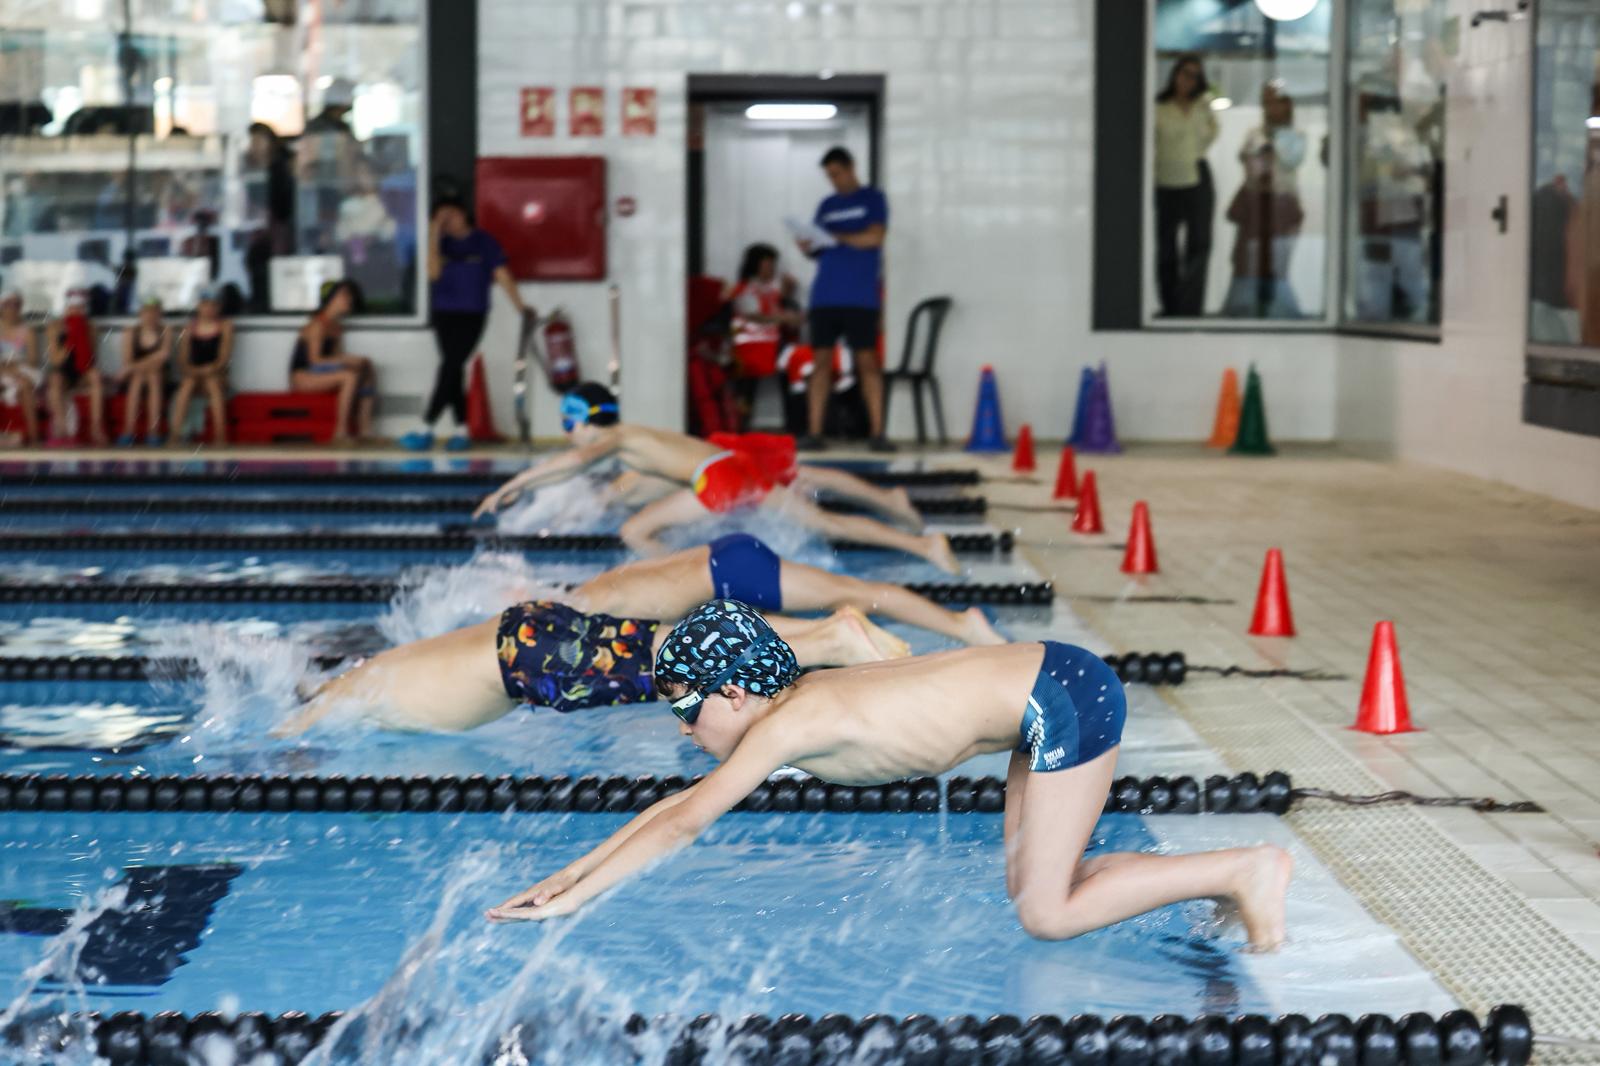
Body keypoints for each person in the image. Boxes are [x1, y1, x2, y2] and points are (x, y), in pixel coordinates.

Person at [487, 601, 1294, 949]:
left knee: (1047, 914)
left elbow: (686, 821)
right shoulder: (792, 702)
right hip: (1048, 686)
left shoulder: (791, 723)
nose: (682, 729)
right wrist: (566, 877)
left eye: (686, 710)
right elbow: (679, 803)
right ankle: (1219, 880)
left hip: (1062, 697)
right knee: (1035, 886)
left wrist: (574, 902)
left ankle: (1245, 870)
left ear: (732, 693)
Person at [273, 534, 1001, 736]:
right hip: (527, 633)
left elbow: (291, 739)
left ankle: (828, 643)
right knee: (669, 654)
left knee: (676, 666)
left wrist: (282, 744)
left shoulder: (339, 703)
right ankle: (824, 641)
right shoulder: (379, 672)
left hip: (526, 660)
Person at [473, 383, 957, 573]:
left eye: (567, 424)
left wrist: (510, 486)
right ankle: (923, 546)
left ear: (584, 420)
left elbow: (571, 463)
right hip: (731, 468)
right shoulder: (637, 440)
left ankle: (689, 586)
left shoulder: (615, 437)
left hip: (719, 477)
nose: (567, 434)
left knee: (635, 532)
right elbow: (646, 483)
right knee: (827, 523)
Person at [400, 198, 530, 451]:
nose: (448, 221)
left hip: (473, 314)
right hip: (444, 313)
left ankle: (426, 427)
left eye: (451, 215)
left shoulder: (483, 241)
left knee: (451, 366)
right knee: (453, 369)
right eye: (442, 218)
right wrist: (434, 233)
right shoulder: (441, 244)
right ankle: (461, 430)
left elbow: (502, 275)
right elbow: (433, 273)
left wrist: (520, 307)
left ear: (463, 214)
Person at [796, 147, 891, 452]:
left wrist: (837, 237)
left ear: (851, 168)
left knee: (867, 362)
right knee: (821, 363)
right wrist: (807, 245)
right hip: (824, 296)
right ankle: (814, 432)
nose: (834, 180)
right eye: (829, 176)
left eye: (837, 174)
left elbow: (874, 238)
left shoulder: (872, 199)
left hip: (860, 297)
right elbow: (817, 249)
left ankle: (877, 433)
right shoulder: (826, 205)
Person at [1222, 82, 1306, 319]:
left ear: (1286, 105)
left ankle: (1280, 313)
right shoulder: (1254, 134)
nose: (1271, 107)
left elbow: (1290, 159)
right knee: (1246, 262)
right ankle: (1243, 311)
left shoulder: (1296, 136)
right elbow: (1246, 159)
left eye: (1275, 102)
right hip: (1255, 207)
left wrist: (1271, 143)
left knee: (1277, 266)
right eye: (1266, 102)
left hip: (1282, 207)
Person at [1153, 54, 1219, 317]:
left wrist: (1204, 104)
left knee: (1199, 244)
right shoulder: (1159, 107)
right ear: (1175, 74)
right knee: (1166, 246)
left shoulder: (1203, 107)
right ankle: (1170, 306)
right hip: (1166, 180)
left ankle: (1190, 308)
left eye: (1195, 76)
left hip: (1197, 175)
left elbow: (1212, 133)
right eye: (1185, 73)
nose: (1189, 80)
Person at [289, 280, 375, 444]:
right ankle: (340, 432)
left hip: (319, 373)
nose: (350, 299)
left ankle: (365, 430)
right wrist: (345, 360)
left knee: (366, 367)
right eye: (345, 295)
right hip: (302, 377)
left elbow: (334, 358)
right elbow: (314, 361)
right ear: (331, 298)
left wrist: (352, 361)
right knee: (349, 377)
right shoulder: (318, 325)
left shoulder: (336, 328)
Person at [169, 287, 234, 445]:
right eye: (205, 305)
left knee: (212, 382)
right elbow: (182, 361)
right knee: (187, 383)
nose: (209, 309)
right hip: (195, 377)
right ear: (199, 306)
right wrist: (196, 371)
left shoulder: (225, 326)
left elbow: (223, 359)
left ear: (219, 307)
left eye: (213, 305)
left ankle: (220, 437)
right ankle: (175, 436)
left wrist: (207, 370)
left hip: (217, 375)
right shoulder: (189, 328)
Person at [44, 289, 108, 446]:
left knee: (95, 375)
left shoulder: (90, 328)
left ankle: (96, 427)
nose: (77, 311)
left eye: (80, 308)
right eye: (73, 308)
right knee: (55, 380)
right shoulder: (55, 327)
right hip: (63, 371)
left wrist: (81, 334)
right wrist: (71, 337)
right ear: (66, 308)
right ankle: (61, 428)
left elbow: (92, 359)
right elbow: (55, 360)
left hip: (82, 371)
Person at [115, 296, 172, 445]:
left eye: (154, 312)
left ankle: (153, 431)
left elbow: (163, 357)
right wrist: (138, 366)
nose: (150, 316)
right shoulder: (131, 331)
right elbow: (127, 360)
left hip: (159, 376)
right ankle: (129, 430)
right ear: (141, 313)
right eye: (147, 311)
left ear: (159, 313)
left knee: (153, 375)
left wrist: (131, 368)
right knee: (140, 377)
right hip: (136, 377)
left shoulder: (165, 330)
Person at [0, 289, 41, 445]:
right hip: (3, 370)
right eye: (8, 305)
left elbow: (33, 360)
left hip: (24, 369)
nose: (12, 309)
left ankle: (34, 436)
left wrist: (16, 366)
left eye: (16, 305)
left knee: (24, 384)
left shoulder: (28, 331)